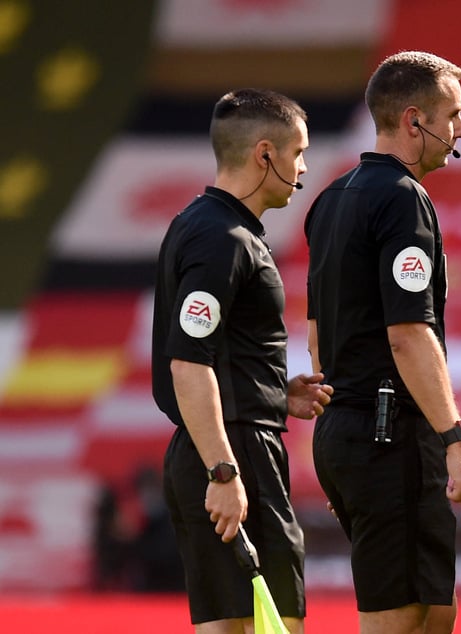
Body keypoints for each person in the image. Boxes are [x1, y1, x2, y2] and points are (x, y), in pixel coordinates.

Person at [303, 51, 461, 634]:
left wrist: (343, 449)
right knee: (401, 617)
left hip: (353, 431)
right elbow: (409, 333)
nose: (460, 130)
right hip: (389, 433)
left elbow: (316, 332)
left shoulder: (332, 199)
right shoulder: (403, 199)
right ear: (413, 120)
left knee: (435, 611)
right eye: (452, 115)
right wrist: (455, 440)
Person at [152, 88, 333, 634]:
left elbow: (215, 353)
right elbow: (188, 362)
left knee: (241, 623)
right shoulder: (222, 238)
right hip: (233, 453)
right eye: (298, 152)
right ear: (264, 154)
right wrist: (223, 470)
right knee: (270, 625)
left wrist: (277, 392)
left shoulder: (211, 227)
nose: (304, 168)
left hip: (230, 441)